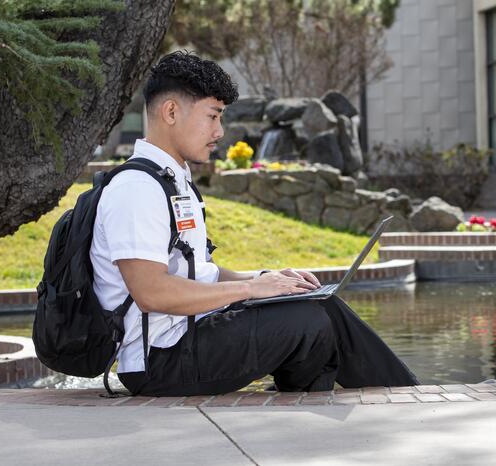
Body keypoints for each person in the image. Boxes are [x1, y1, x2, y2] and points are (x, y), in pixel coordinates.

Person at [89, 51, 418, 397]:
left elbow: (202, 273)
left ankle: (400, 392)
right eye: (212, 116)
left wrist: (265, 278)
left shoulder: (173, 180)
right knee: (309, 324)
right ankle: (389, 399)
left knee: (317, 303)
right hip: (160, 361)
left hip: (190, 336)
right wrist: (249, 291)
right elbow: (151, 292)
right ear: (171, 112)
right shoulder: (137, 189)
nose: (219, 131)